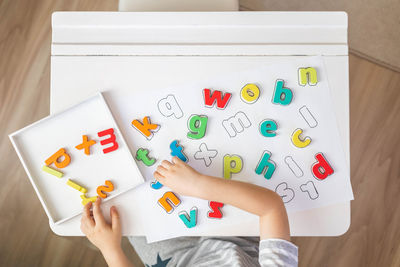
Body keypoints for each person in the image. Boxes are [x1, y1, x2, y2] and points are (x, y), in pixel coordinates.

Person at [80, 157, 298, 266]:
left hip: (174, 260)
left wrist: (110, 249)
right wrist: (198, 185)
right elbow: (271, 208)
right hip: (238, 242)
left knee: (121, 212)